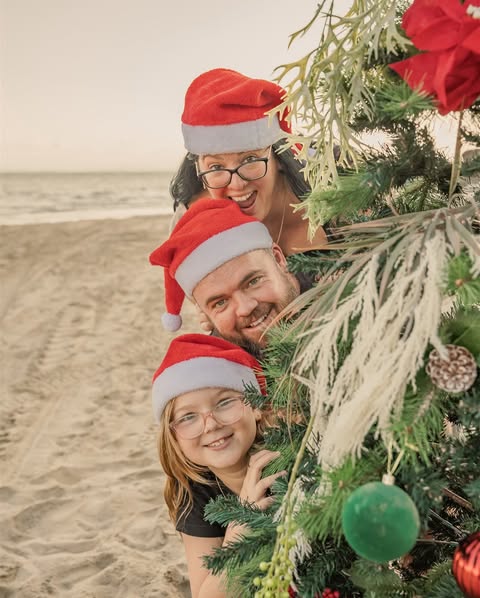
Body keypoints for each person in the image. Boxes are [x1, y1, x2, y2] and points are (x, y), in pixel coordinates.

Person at [153, 333, 285, 598]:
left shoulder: (288, 460)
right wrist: (240, 531)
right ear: (174, 437)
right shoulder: (195, 491)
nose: (211, 424)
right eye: (188, 417)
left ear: (257, 406)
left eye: (224, 402)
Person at [169, 67, 329, 257]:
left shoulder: (328, 201)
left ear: (278, 156)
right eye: (216, 167)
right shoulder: (189, 221)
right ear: (198, 168)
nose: (237, 184)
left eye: (250, 159)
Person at [149, 198, 306, 354]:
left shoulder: (328, 287)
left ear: (279, 259)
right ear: (203, 311)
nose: (245, 308)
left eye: (253, 282)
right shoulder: (225, 369)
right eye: (220, 302)